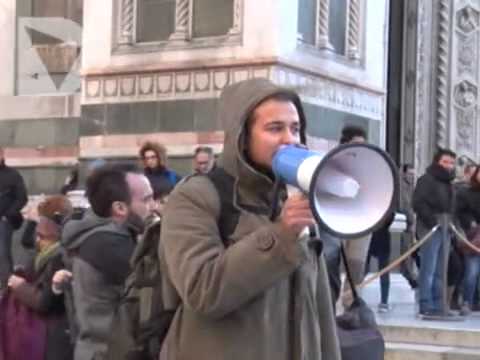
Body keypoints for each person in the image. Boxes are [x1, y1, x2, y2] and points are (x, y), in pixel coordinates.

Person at [159, 78, 341, 360]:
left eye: (295, 128)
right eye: (274, 128)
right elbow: (203, 291)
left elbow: (319, 313)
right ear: (242, 135)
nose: (290, 139)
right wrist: (281, 234)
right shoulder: (196, 197)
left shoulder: (292, 199)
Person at [61, 164, 155, 360]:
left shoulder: (100, 235)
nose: (154, 206)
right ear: (120, 208)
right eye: (147, 199)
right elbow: (158, 284)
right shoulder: (109, 244)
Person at [6, 195, 74, 360]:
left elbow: (45, 302)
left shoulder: (59, 256)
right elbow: (28, 241)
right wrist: (31, 221)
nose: (37, 240)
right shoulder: (47, 250)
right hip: (44, 332)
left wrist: (19, 286)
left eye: (42, 236)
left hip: (53, 338)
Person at [323, 124, 372, 307]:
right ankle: (329, 307)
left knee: (356, 268)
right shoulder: (331, 164)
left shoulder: (369, 166)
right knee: (331, 264)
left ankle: (351, 307)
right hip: (336, 222)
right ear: (344, 143)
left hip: (361, 224)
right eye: (357, 143)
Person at [413, 148, 457, 316]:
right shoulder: (426, 180)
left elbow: (452, 207)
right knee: (429, 267)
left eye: (451, 163)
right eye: (445, 162)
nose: (449, 166)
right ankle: (425, 303)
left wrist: (451, 225)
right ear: (437, 161)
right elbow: (418, 202)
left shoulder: (449, 183)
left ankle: (439, 304)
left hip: (446, 226)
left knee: (441, 268)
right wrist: (433, 222)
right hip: (430, 226)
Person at [0, 146, 28, 292]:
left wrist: (8, 215)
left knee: (2, 253)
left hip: (4, 221)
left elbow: (22, 197)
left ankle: (6, 287)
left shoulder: (13, 175)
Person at [455, 165, 480, 315]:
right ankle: (467, 301)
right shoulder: (465, 192)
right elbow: (460, 212)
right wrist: (470, 223)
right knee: (471, 271)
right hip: (473, 236)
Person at [398, 164, 419, 289]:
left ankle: (411, 275)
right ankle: (409, 276)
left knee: (410, 251)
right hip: (404, 224)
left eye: (413, 174)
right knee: (405, 251)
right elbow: (405, 205)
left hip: (411, 224)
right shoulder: (401, 187)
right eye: (410, 174)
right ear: (404, 173)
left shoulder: (412, 187)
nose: (411, 176)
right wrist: (411, 221)